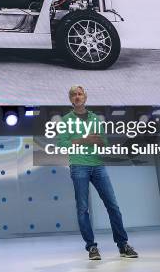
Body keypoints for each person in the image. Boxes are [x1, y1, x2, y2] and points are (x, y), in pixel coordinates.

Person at [56, 85, 138, 260]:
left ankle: (123, 245)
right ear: (71, 100)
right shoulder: (65, 120)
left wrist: (100, 142)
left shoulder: (95, 118)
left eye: (80, 94)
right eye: (74, 95)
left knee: (113, 206)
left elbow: (105, 144)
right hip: (79, 165)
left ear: (85, 97)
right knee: (83, 209)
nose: (77, 97)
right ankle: (92, 247)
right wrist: (84, 140)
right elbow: (62, 144)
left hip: (98, 165)